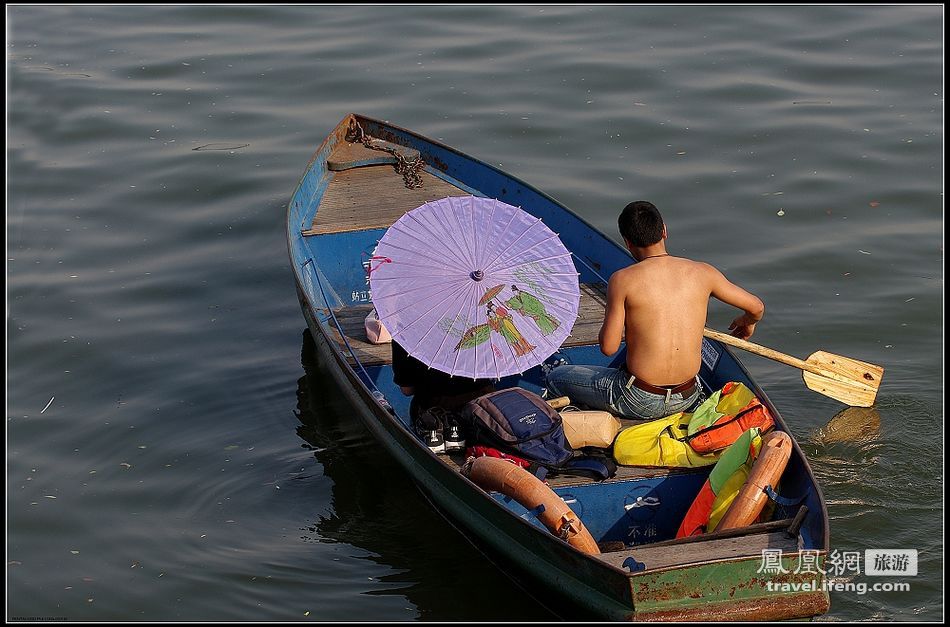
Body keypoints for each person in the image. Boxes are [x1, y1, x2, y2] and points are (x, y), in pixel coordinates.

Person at [545, 200, 765, 421]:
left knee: (556, 377)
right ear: (664, 231)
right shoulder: (703, 273)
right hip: (687, 396)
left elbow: (609, 348)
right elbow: (756, 307)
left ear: (628, 242)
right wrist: (747, 322)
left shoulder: (623, 280)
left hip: (638, 399)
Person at [392, 340, 495, 453]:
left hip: (435, 412)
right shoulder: (487, 333)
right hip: (483, 413)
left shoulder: (406, 335)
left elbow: (407, 390)